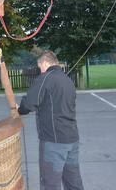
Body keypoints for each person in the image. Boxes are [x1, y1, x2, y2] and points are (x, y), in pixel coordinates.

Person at [18, 50, 84, 190]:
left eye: (40, 66)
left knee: (50, 183)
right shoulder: (67, 80)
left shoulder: (45, 78)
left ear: (45, 63)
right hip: (72, 139)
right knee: (73, 181)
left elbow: (29, 103)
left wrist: (20, 109)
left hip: (54, 141)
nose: (40, 70)